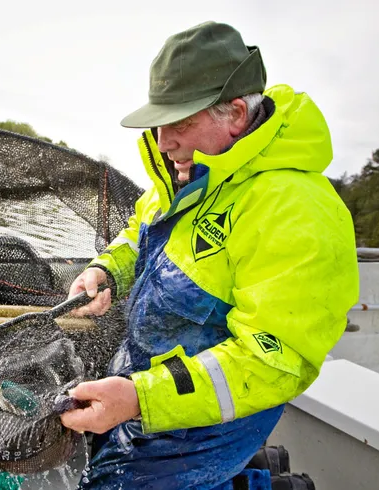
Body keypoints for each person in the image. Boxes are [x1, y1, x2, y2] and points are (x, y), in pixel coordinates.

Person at [60, 21, 360, 489]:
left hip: (215, 414)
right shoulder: (187, 174)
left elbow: (275, 361)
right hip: (141, 383)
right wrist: (106, 271)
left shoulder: (298, 209)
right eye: (159, 123)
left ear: (236, 114)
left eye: (180, 122)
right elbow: (139, 232)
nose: (163, 142)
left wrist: (141, 398)